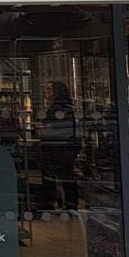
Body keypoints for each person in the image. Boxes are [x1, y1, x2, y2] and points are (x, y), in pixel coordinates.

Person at [36, 81, 80, 214]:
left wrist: (42, 130)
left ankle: (49, 203)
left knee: (51, 176)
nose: (45, 92)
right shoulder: (68, 107)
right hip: (66, 147)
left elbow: (48, 128)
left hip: (56, 147)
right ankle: (70, 204)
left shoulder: (57, 108)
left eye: (49, 90)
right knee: (66, 175)